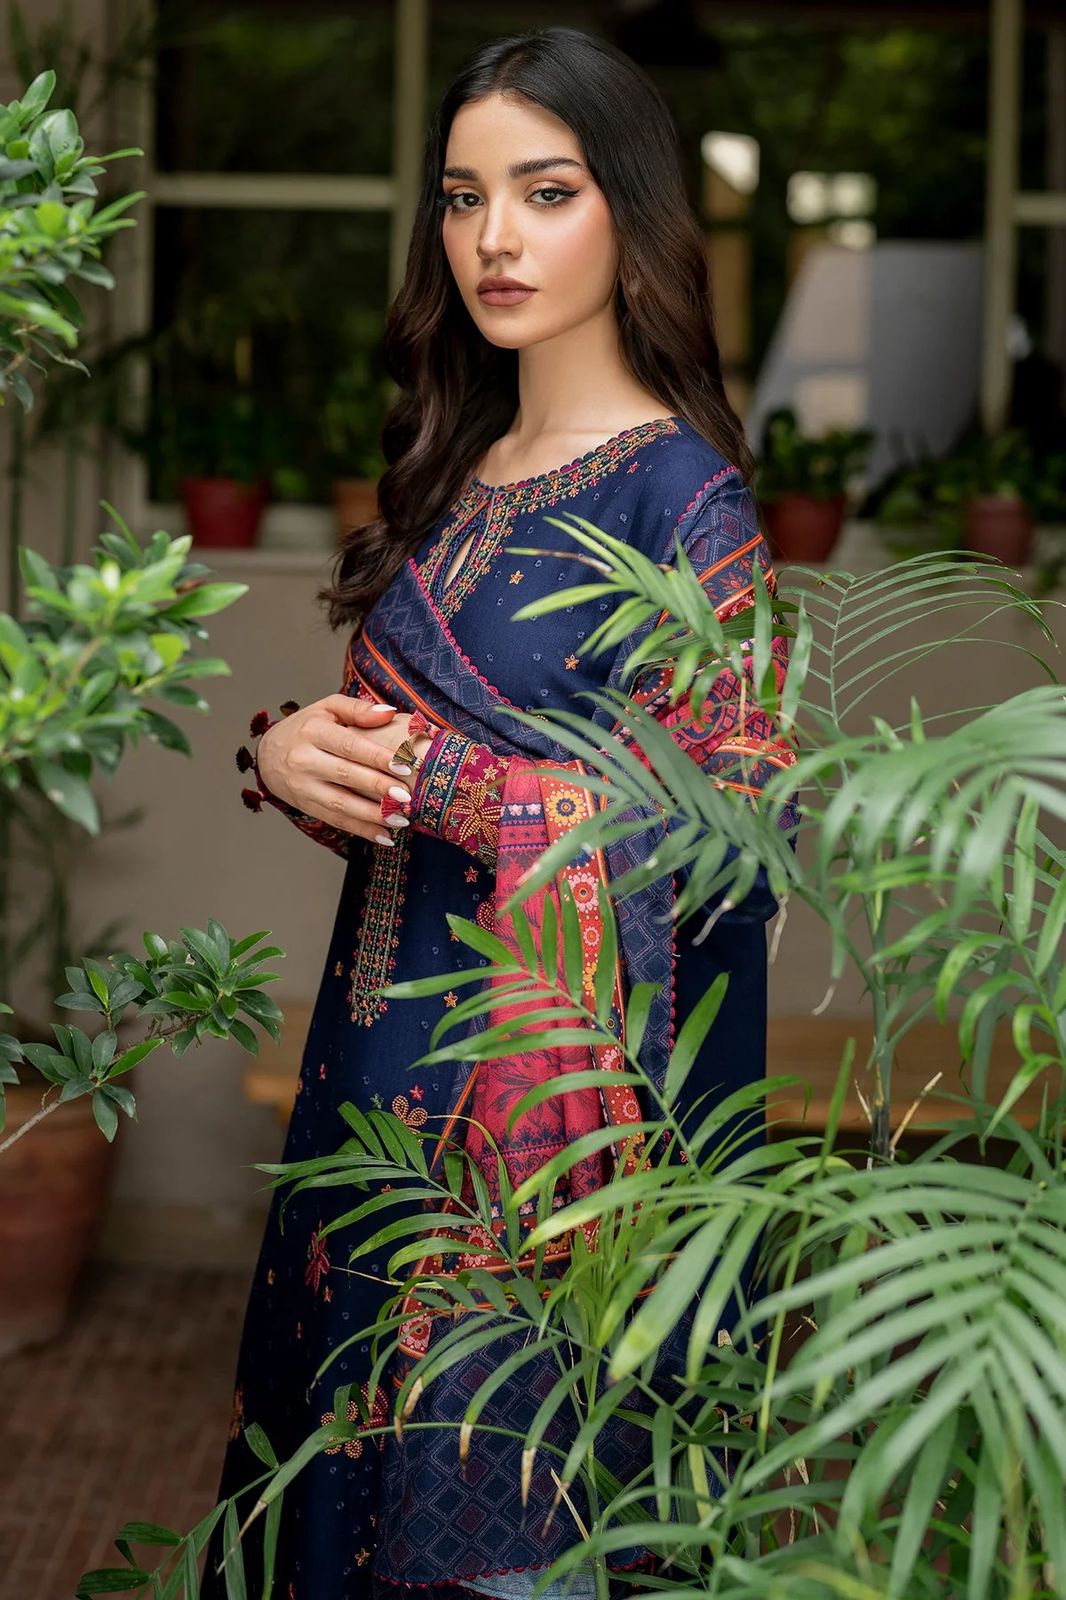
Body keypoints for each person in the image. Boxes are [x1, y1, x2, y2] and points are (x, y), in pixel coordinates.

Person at [204, 25, 798, 1600]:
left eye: (544, 192)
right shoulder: (459, 465)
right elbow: (411, 753)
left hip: (525, 1150)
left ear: (632, 211)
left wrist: (447, 783)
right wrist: (289, 757)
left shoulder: (682, 499)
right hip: (374, 1094)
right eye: (463, 198)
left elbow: (735, 835)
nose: (493, 239)